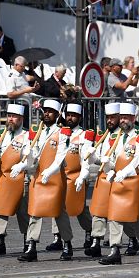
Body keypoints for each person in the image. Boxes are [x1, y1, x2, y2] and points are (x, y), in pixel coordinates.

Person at [16, 99, 74, 262]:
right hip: (38, 176)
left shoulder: (63, 132)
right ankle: (31, 246)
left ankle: (67, 243)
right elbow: (33, 157)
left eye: (50, 111)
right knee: (34, 210)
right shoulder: (37, 131)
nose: (46, 114)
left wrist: (50, 171)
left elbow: (61, 156)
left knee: (58, 211)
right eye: (44, 111)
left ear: (56, 114)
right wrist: (23, 164)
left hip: (55, 177)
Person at [98, 102, 139, 265]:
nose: (123, 121)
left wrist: (125, 172)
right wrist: (109, 166)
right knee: (114, 214)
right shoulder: (116, 137)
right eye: (121, 118)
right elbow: (113, 159)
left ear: (133, 118)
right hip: (118, 180)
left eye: (127, 118)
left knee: (136, 216)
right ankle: (115, 250)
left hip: (134, 179)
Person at [48, 103, 95, 254]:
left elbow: (85, 158)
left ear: (79, 117)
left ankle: (90, 231)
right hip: (59, 175)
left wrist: (83, 176)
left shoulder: (83, 135)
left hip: (76, 175)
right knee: (57, 206)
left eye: (73, 115)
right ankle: (57, 237)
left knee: (78, 208)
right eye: (68, 115)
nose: (70, 118)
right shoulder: (60, 132)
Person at [0, 103, 30, 255]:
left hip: (20, 176)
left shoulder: (27, 136)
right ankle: (0, 241)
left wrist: (21, 166)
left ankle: (27, 240)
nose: (11, 119)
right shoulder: (0, 135)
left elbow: (30, 158)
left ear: (21, 119)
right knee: (0, 208)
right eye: (9, 116)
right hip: (3, 176)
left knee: (23, 210)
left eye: (15, 117)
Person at [85, 102, 120, 257]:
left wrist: (113, 164)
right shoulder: (104, 135)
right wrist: (93, 156)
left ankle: (137, 239)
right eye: (108, 118)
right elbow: (99, 159)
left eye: (113, 117)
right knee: (99, 210)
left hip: (119, 176)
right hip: (104, 176)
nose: (110, 121)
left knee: (120, 212)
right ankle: (96, 241)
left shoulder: (126, 135)